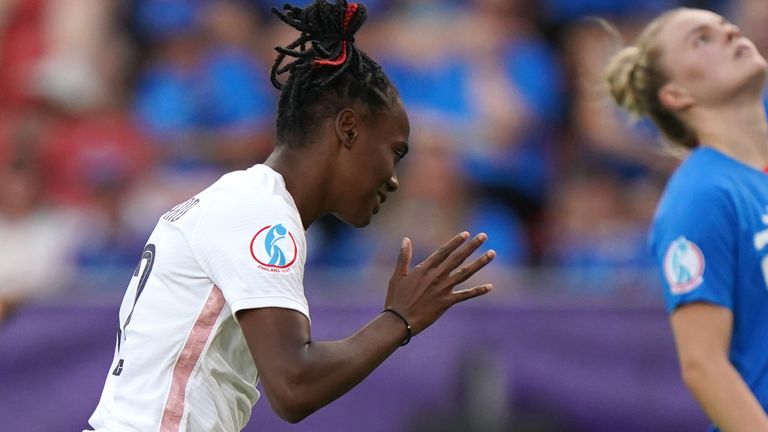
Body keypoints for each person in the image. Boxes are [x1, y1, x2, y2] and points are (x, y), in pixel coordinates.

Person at [85, 1, 496, 431]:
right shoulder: (261, 214)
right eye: (394, 152)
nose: (394, 179)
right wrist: (399, 319)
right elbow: (294, 386)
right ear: (348, 129)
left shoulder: (246, 200)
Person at [605, 7, 768, 431]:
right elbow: (702, 365)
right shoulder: (702, 194)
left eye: (724, 26)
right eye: (701, 38)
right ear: (676, 94)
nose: (730, 32)